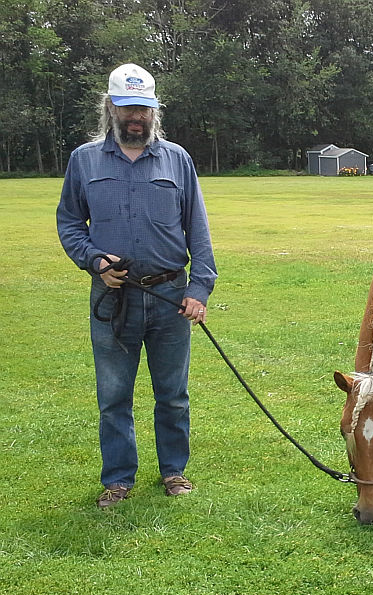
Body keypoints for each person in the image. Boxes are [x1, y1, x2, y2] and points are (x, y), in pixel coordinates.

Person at [57, 63, 217, 508]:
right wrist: (94, 261)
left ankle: (174, 471)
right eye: (128, 107)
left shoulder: (177, 159)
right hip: (113, 299)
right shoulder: (84, 160)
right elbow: (70, 222)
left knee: (173, 395)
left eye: (144, 108)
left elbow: (197, 228)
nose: (136, 117)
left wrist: (199, 289)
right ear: (110, 107)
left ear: (154, 111)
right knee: (113, 397)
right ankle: (118, 479)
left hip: (170, 297)